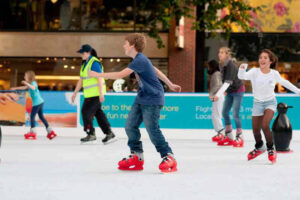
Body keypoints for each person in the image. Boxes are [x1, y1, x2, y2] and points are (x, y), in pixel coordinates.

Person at [88, 33, 181, 173]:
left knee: (152, 129)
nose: (123, 46)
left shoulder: (140, 60)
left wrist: (97, 75)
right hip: (142, 97)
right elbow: (155, 70)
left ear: (132, 45)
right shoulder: (139, 60)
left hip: (153, 98)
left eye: (125, 43)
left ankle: (169, 156)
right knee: (130, 126)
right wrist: (170, 83)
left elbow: (120, 75)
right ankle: (137, 155)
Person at [238, 49, 300, 164]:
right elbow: (243, 76)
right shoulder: (254, 71)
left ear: (270, 61)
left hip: (270, 102)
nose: (262, 60)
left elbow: (284, 83)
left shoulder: (274, 73)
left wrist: (297, 91)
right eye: (261, 57)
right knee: (255, 130)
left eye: (265, 58)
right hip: (257, 103)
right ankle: (260, 147)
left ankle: (271, 148)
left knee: (265, 125)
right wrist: (241, 69)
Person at [72, 44, 115, 144]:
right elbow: (81, 80)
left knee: (85, 112)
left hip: (95, 94)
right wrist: (75, 93)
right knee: (98, 114)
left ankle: (91, 133)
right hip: (90, 94)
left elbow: (99, 77)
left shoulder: (94, 63)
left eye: (82, 53)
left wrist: (101, 93)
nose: (81, 55)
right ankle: (109, 133)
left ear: (88, 53)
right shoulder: (84, 64)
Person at [11, 71, 57, 140]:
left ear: (29, 77)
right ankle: (50, 131)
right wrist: (15, 88)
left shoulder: (33, 83)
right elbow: (24, 88)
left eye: (25, 76)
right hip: (40, 102)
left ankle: (33, 131)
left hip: (37, 103)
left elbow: (33, 88)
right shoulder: (30, 83)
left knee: (32, 116)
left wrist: (26, 83)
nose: (24, 77)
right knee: (41, 117)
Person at [213, 47, 245, 147]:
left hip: (238, 90)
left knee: (235, 114)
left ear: (227, 54)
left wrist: (218, 94)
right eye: (219, 52)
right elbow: (224, 79)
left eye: (222, 52)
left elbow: (228, 81)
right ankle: (229, 136)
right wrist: (225, 90)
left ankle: (240, 136)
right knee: (225, 112)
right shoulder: (221, 64)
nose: (219, 54)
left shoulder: (231, 65)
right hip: (230, 90)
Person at [208, 60, 224, 142]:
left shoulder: (216, 74)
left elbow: (218, 85)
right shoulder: (216, 74)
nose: (208, 68)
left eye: (209, 66)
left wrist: (211, 94)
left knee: (216, 114)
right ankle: (220, 132)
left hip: (218, 96)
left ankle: (221, 132)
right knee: (215, 114)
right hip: (217, 96)